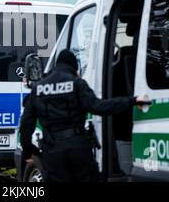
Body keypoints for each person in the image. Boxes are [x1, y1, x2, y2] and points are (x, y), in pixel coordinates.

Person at [19, 50, 147, 182]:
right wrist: (132, 100)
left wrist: (28, 150)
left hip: (53, 151)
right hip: (78, 147)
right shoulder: (77, 83)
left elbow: (26, 124)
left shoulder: (38, 88)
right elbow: (99, 107)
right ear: (73, 67)